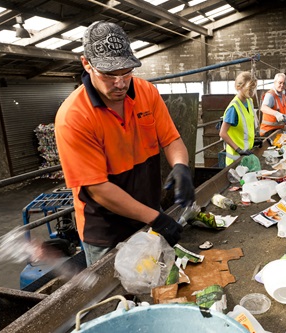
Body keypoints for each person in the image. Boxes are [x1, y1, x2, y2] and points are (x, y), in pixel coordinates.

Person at [55, 21, 195, 266]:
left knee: (159, 277)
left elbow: (171, 139)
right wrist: (157, 219)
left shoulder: (146, 92)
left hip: (147, 210)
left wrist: (181, 165)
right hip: (106, 229)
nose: (120, 83)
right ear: (86, 64)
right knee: (116, 295)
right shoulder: (74, 117)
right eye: (109, 75)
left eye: (126, 72)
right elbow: (98, 188)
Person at [219, 71, 258, 166]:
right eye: (249, 88)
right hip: (235, 159)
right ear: (239, 87)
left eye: (254, 88)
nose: (252, 91)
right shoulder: (234, 108)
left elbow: (246, 128)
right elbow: (223, 133)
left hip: (246, 155)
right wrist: (238, 149)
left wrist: (253, 140)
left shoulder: (249, 101)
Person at [259, 73, 286, 137]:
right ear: (275, 82)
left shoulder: (282, 94)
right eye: (280, 83)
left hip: (277, 129)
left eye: (284, 83)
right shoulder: (270, 95)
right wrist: (276, 113)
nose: (282, 85)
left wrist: (285, 122)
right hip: (268, 131)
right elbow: (263, 108)